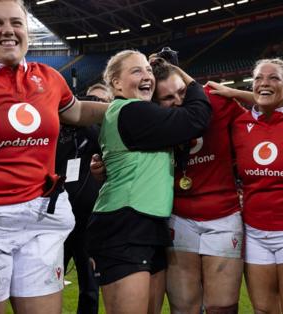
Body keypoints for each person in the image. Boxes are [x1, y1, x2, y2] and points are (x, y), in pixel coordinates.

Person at [0, 0, 107, 313]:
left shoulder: (47, 77)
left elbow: (75, 111)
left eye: (16, 23)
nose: (8, 31)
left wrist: (126, 108)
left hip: (40, 222)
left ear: (27, 31)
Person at [86, 50, 211, 314]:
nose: (147, 76)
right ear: (116, 83)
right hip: (124, 223)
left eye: (148, 70)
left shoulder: (134, 112)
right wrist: (189, 81)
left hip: (145, 221)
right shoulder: (132, 112)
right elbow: (196, 118)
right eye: (136, 71)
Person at [210, 58, 283, 314]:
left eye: (274, 78)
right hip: (255, 232)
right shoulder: (239, 122)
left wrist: (236, 92)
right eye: (259, 78)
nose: (264, 83)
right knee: (264, 310)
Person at [149, 56, 246, 314]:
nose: (178, 101)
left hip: (223, 217)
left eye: (181, 91)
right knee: (183, 307)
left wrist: (234, 92)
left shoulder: (216, 101)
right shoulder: (152, 120)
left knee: (221, 307)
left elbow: (263, 111)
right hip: (178, 217)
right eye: (167, 98)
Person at [57, 83, 110, 314]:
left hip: (89, 222)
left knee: (90, 285)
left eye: (101, 102)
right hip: (58, 221)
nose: (95, 105)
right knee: (46, 280)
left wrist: (87, 118)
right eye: (91, 100)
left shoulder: (103, 135)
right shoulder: (64, 134)